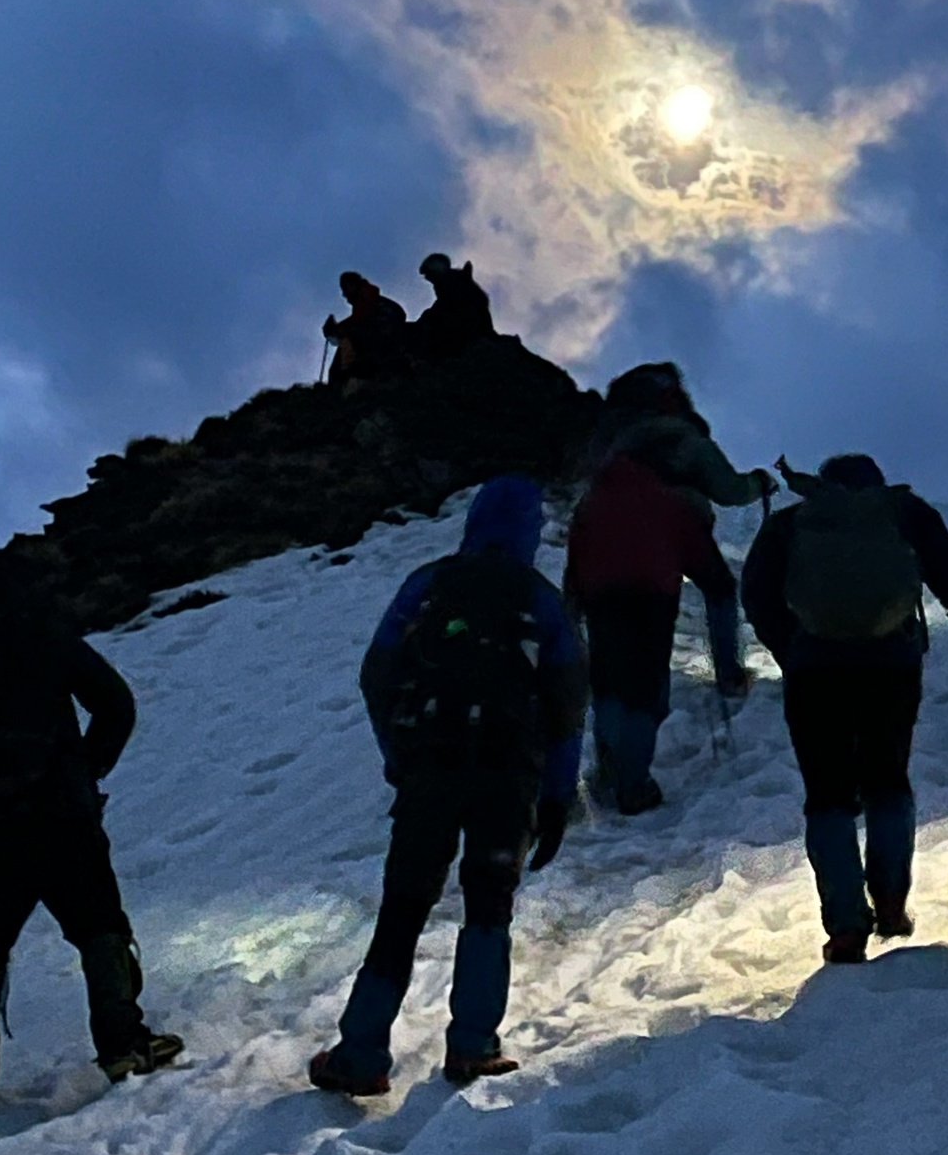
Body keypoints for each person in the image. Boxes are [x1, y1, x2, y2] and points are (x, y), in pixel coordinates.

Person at [308, 476, 586, 1096]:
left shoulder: (429, 583)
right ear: (531, 531)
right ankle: (472, 1045)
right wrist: (557, 796)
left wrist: (398, 758)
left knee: (403, 908)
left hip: (430, 766)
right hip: (507, 773)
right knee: (489, 907)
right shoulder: (538, 596)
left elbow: (377, 672)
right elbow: (567, 702)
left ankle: (361, 1053)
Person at [0, 570, 183, 1107]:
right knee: (98, 926)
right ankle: (124, 1046)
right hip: (60, 815)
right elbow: (116, 704)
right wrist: (86, 772)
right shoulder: (43, 634)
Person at [741, 454, 948, 964]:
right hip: (891, 664)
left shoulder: (792, 523)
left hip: (815, 670)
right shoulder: (903, 514)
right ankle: (890, 902)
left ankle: (846, 926)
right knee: (888, 779)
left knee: (828, 795)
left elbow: (755, 594)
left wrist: (792, 649)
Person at [565, 450, 742, 815]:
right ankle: (634, 783)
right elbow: (703, 560)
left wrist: (572, 607)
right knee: (645, 692)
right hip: (652, 602)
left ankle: (610, 766)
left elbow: (576, 558)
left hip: (602, 601)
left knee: (609, 684)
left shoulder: (592, 504)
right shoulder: (668, 501)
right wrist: (719, 590)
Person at [588, 360, 774, 704]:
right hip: (679, 529)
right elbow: (728, 490)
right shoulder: (680, 436)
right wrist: (758, 484)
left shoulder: (611, 441)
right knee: (719, 588)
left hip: (613, 530)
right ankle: (729, 675)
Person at [321, 272, 408, 384]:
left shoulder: (368, 295)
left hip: (383, 334)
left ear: (351, 285)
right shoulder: (367, 298)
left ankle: (346, 372)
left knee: (350, 337)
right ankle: (345, 373)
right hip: (382, 334)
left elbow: (363, 315)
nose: (344, 294)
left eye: (345, 289)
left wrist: (339, 328)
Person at [412, 252, 495, 359]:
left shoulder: (451, 280)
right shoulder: (452, 280)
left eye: (429, 274)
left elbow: (448, 304)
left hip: (466, 323)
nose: (428, 278)